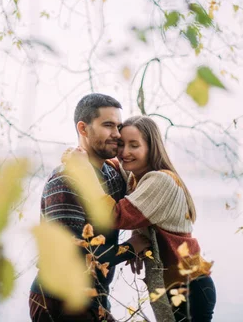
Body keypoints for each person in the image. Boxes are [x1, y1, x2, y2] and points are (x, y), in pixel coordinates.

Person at [67, 115, 216, 322]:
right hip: (176, 285)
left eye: (134, 145)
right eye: (121, 144)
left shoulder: (160, 180)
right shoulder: (136, 177)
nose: (125, 152)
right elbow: (109, 162)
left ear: (151, 148)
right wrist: (86, 154)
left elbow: (114, 216)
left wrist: (84, 170)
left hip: (189, 286)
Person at [29, 94, 150, 322]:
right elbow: (72, 256)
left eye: (119, 126)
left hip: (96, 296)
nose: (117, 133)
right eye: (108, 125)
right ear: (83, 129)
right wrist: (130, 249)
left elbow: (133, 206)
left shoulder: (113, 176)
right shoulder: (65, 181)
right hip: (59, 300)